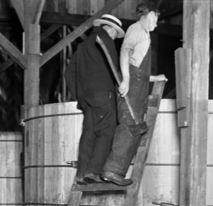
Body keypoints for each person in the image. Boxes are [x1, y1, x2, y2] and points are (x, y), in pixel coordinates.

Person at [101, 1, 164, 186]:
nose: (157, 23)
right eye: (157, 18)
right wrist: (126, 80)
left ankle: (117, 171)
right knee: (129, 125)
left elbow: (138, 66)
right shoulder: (136, 29)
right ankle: (111, 170)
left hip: (139, 84)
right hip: (133, 85)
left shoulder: (143, 33)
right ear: (151, 14)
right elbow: (125, 53)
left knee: (136, 128)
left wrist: (153, 78)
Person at [65, 14, 124, 185]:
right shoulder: (105, 38)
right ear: (112, 29)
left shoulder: (83, 45)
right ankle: (93, 171)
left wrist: (79, 96)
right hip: (103, 93)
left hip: (86, 97)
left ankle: (82, 173)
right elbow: (114, 68)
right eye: (115, 34)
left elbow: (69, 73)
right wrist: (121, 87)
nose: (114, 38)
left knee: (89, 133)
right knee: (106, 131)